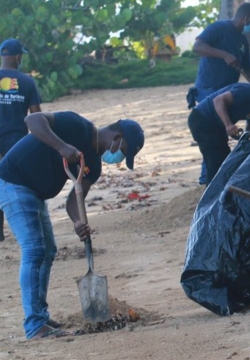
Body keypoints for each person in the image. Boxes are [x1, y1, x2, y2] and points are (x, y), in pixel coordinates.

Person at [0, 111, 144, 340]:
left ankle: (40, 316)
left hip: (34, 193)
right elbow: (32, 120)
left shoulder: (94, 166)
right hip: (13, 181)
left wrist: (78, 221)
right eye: (123, 151)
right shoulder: (77, 125)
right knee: (34, 249)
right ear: (117, 137)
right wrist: (61, 147)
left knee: (48, 250)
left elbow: (72, 201)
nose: (117, 157)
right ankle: (35, 325)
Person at [188, 2, 250, 185]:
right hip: (209, 90)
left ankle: (216, 178)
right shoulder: (219, 28)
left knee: (219, 138)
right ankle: (208, 179)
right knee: (212, 133)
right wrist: (224, 55)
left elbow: (248, 69)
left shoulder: (242, 41)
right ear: (246, 19)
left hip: (229, 92)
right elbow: (197, 47)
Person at [0, 38, 41, 241]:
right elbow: (36, 116)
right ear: (18, 57)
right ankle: (26, 228)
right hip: (16, 144)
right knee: (18, 185)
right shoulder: (27, 82)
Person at [188, 83, 250, 184]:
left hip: (217, 126)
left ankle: (217, 192)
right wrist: (228, 124)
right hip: (202, 120)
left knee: (225, 161)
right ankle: (211, 196)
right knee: (216, 162)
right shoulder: (247, 91)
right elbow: (218, 100)